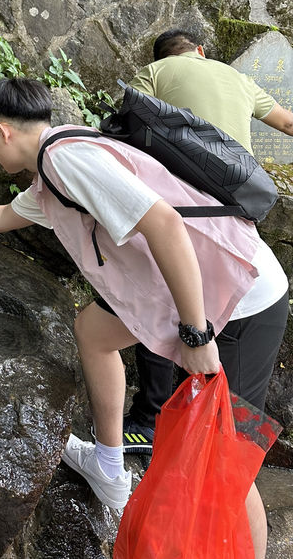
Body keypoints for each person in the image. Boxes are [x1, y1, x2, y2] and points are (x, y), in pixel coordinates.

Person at [0, 77, 288, 559]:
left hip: (240, 298)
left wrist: (196, 333)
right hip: (191, 289)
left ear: (2, 131)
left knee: (227, 457)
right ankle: (110, 467)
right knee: (93, 330)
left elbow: (165, 224)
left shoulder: (68, 161)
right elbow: (7, 215)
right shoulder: (54, 166)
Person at [123, 28, 293, 453]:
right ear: (201, 51)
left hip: (183, 205)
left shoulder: (153, 71)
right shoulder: (236, 77)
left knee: (164, 300)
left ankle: (148, 421)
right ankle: (209, 435)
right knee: (218, 301)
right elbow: (288, 122)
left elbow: (132, 119)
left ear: (161, 56)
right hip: (238, 207)